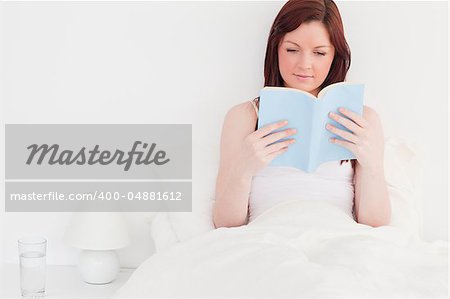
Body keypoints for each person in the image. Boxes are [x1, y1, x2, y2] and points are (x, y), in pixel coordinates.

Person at [213, 0, 391, 229]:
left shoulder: (362, 119)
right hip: (268, 237)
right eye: (292, 50)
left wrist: (372, 166)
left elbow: (376, 223)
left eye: (319, 53)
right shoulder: (244, 117)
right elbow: (225, 224)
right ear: (275, 49)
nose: (305, 64)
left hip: (338, 236)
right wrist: (243, 170)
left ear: (334, 56)